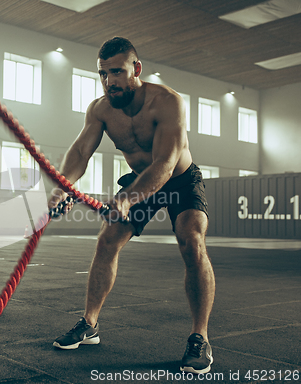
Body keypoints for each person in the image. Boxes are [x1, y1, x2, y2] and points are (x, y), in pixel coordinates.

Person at [48, 37, 215, 374]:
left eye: (117, 72)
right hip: (140, 179)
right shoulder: (100, 110)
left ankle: (200, 337)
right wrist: (63, 188)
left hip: (180, 179)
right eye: (102, 74)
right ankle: (89, 324)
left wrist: (128, 198)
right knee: (107, 240)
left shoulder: (167, 102)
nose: (109, 81)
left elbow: (166, 164)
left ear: (136, 69)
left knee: (191, 239)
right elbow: (80, 153)